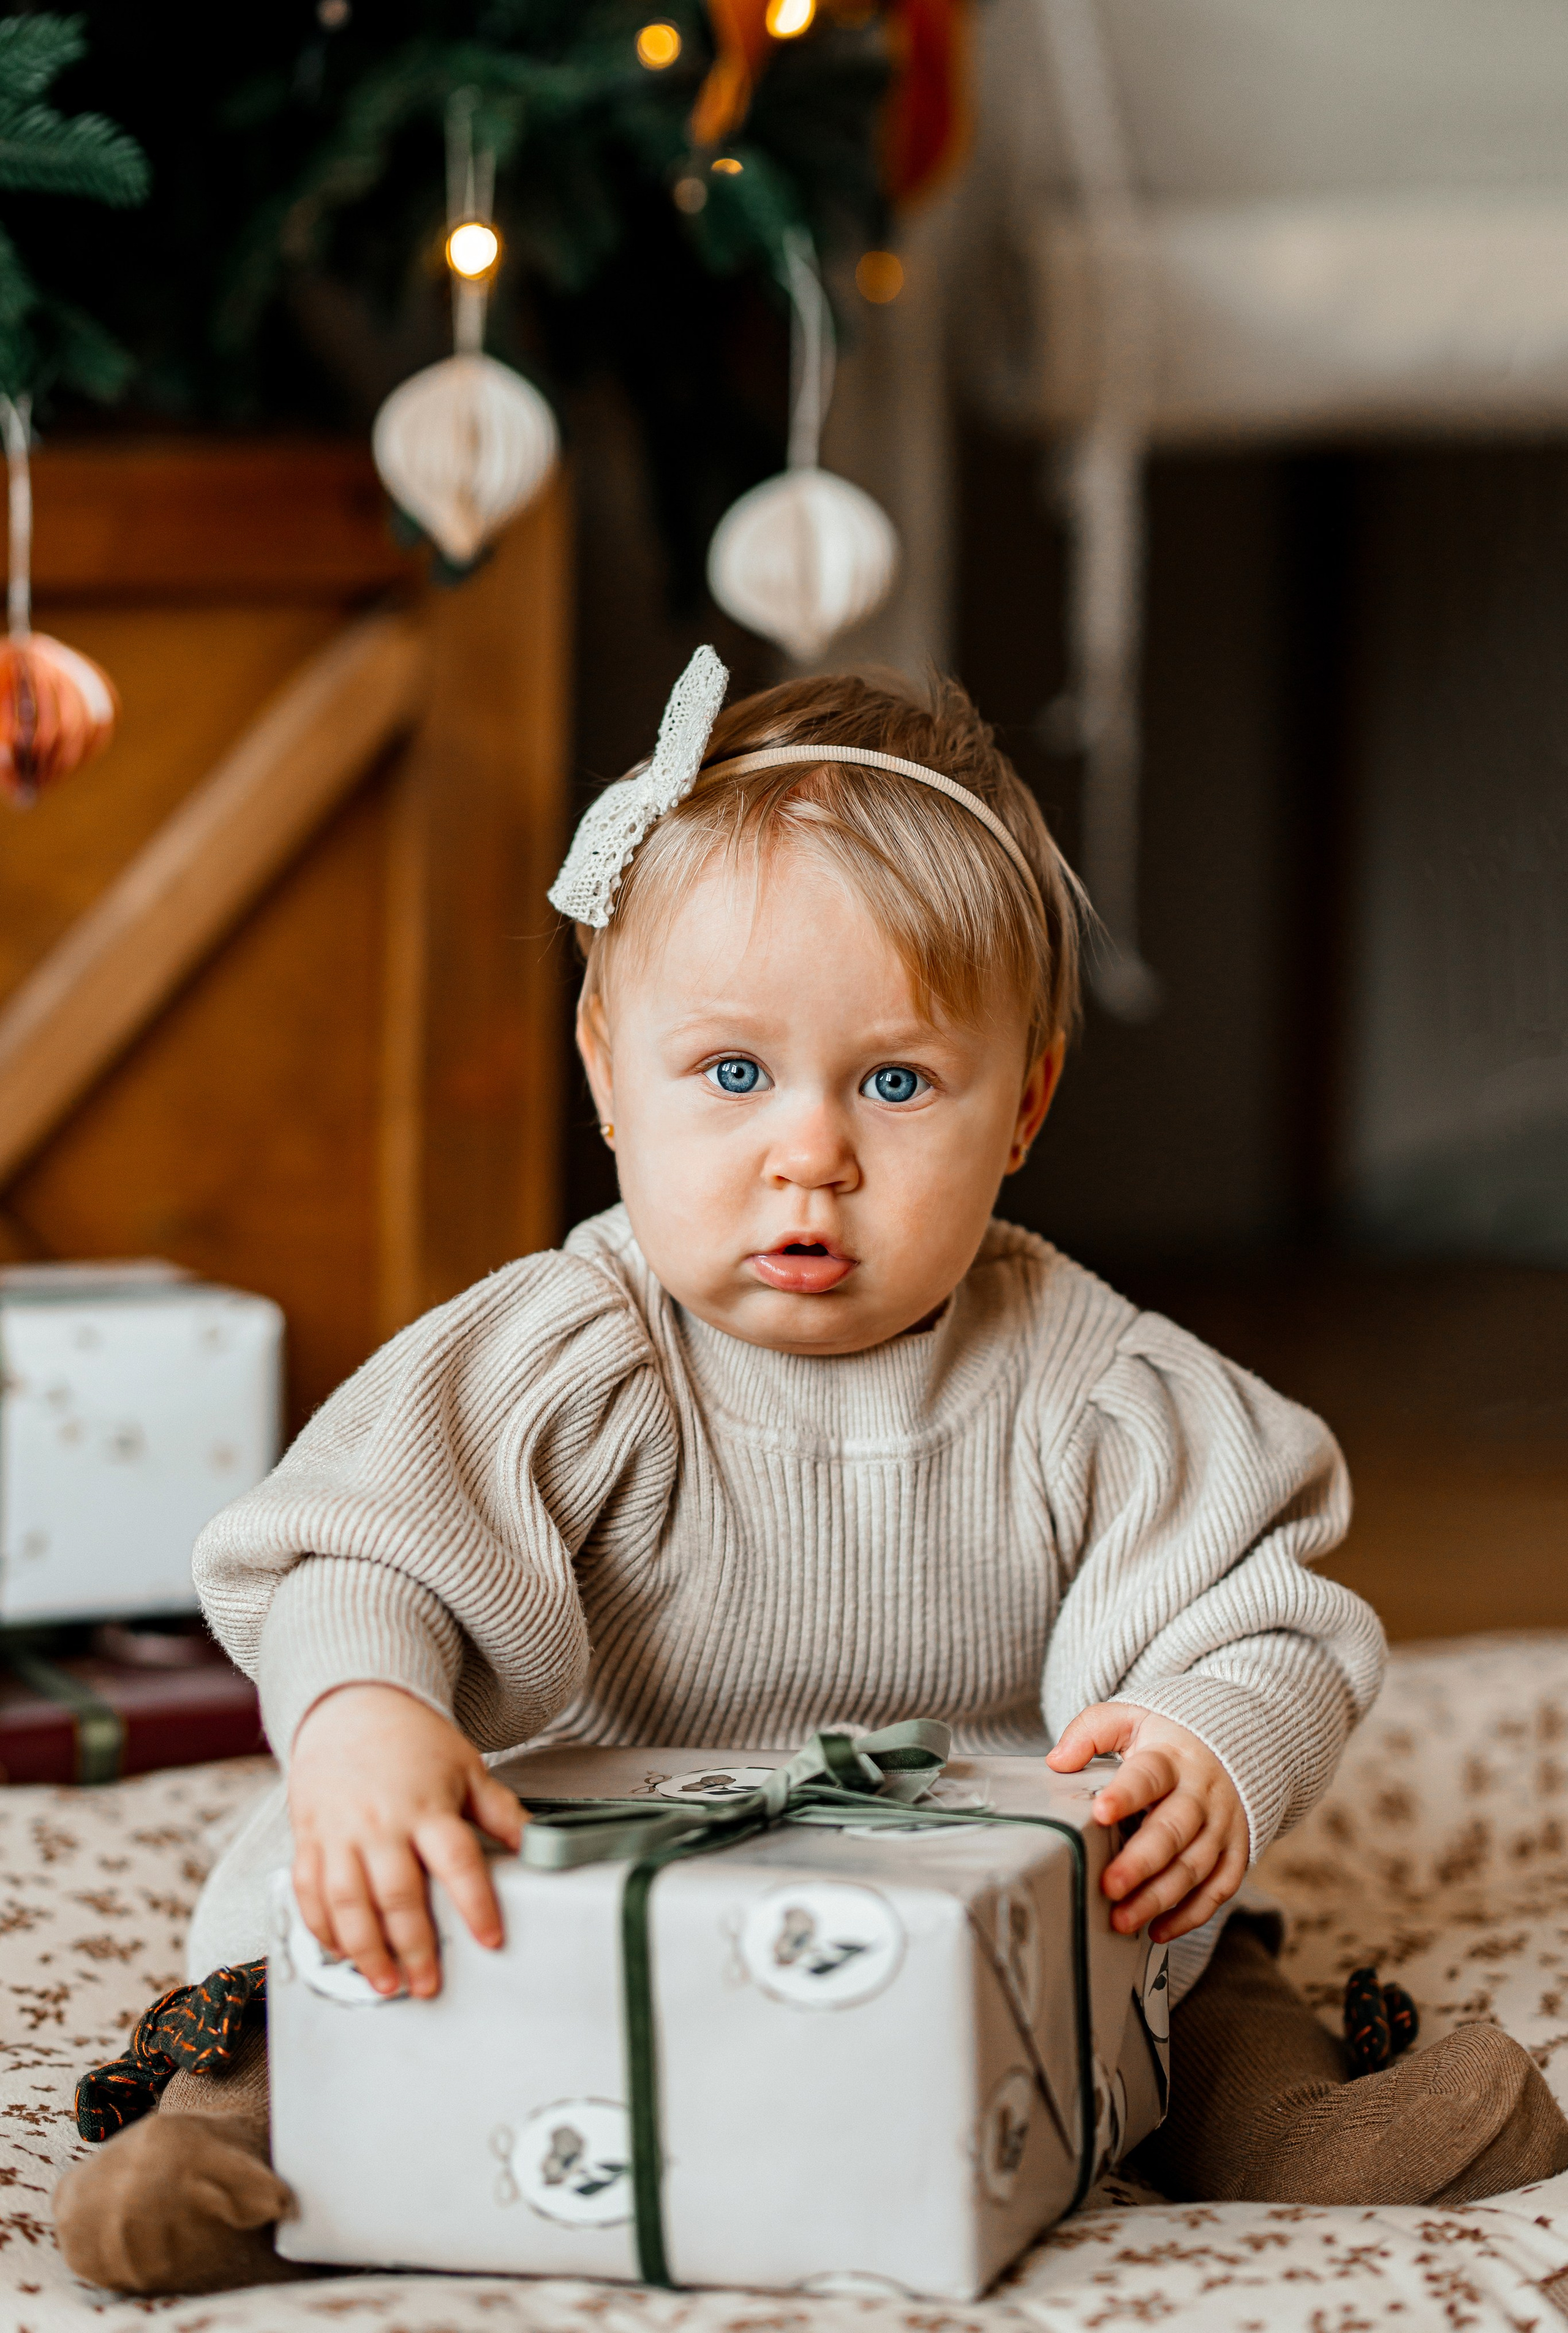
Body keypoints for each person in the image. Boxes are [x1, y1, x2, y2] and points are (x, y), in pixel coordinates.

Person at [54, 650, 1568, 2294]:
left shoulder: (1092, 1382)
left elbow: (1265, 1606)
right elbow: (362, 1556)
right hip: (559, 1882)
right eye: (731, 1074)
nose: (810, 1152)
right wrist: (366, 1717)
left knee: (1184, 1964)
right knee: (369, 1923)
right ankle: (251, 2126)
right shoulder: (573, 1350)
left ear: (1025, 1104)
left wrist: (1208, 1746)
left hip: (980, 1899)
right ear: (606, 1071)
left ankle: (1276, 2120)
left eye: (898, 1081)